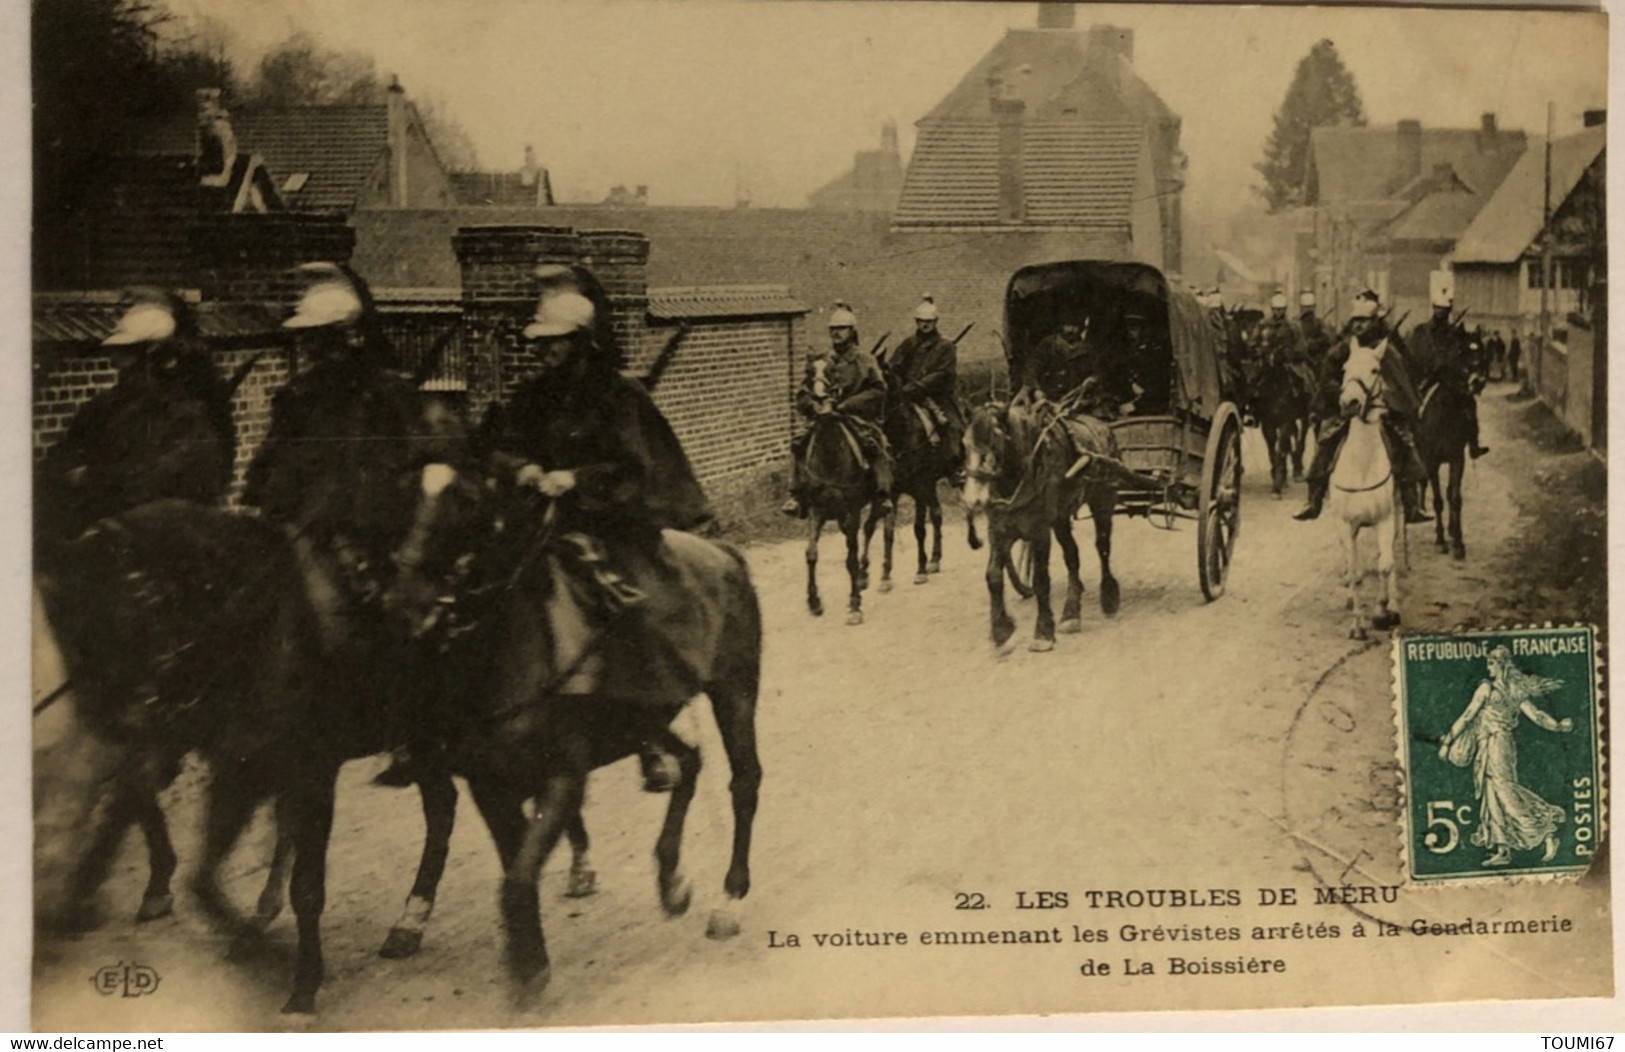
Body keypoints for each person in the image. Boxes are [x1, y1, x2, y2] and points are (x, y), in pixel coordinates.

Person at [477, 270, 715, 792]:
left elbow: (633, 468)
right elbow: (497, 443)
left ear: (581, 342)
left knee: (631, 603)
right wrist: (523, 470)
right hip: (538, 518)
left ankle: (654, 725)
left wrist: (576, 479)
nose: (545, 352)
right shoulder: (533, 394)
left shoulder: (616, 394)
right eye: (541, 343)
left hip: (611, 520)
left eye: (555, 343)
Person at [243, 262, 465, 787]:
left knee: (397, 616)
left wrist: (402, 529)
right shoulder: (296, 398)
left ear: (350, 336)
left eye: (322, 340)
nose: (312, 351)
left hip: (375, 536)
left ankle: (413, 734)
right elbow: (269, 468)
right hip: (300, 531)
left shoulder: (389, 394)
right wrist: (271, 508)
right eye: (307, 341)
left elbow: (431, 460)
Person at [37, 287, 236, 542]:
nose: (115, 359)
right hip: (108, 527)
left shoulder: (187, 412)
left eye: (126, 352)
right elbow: (62, 458)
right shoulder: (104, 407)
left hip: (160, 535)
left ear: (153, 355)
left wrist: (91, 477)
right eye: (118, 352)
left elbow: (169, 479)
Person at [1294, 289, 1432, 524]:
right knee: (1326, 440)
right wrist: (1343, 394)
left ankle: (1412, 505)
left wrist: (1387, 400)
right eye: (1356, 321)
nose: (1359, 326)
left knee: (1405, 444)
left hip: (1380, 410)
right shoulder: (1343, 348)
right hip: (1346, 409)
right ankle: (1314, 499)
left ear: (1374, 322)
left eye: (1364, 321)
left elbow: (1400, 381)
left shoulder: (1386, 350)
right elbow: (1327, 377)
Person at [1438, 645, 1573, 866]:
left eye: (1491, 663)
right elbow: (1537, 716)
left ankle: (1545, 829)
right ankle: (1502, 850)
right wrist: (1557, 725)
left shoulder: (1490, 689)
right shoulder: (1511, 690)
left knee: (1504, 790)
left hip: (1497, 744)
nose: (1488, 667)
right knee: (1492, 793)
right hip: (1493, 744)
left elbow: (1466, 716)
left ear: (1501, 664)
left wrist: (1447, 743)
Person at [782, 303, 894, 517]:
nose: (836, 333)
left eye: (841, 329)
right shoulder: (821, 361)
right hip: (823, 417)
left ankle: (882, 495)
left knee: (875, 444)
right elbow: (803, 392)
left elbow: (879, 390)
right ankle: (796, 495)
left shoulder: (865, 360)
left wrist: (845, 406)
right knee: (798, 443)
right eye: (832, 329)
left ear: (852, 332)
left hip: (854, 417)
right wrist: (815, 407)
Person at [888, 294, 966, 483]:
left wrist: (915, 387)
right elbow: (894, 365)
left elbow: (942, 375)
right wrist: (897, 384)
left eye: (929, 322)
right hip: (907, 395)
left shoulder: (946, 347)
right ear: (916, 321)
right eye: (921, 321)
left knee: (952, 427)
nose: (925, 325)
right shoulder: (908, 343)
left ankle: (955, 468)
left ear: (935, 322)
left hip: (939, 397)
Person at [1406, 284, 1489, 458]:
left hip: (1451, 379)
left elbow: (1464, 355)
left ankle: (1473, 445)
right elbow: (1415, 355)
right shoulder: (1422, 331)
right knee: (1413, 406)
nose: (1440, 313)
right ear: (1433, 309)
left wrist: (1456, 366)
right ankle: (1410, 444)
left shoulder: (1456, 333)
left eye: (1444, 310)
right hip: (1429, 378)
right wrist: (1431, 365)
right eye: (1438, 309)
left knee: (1469, 404)